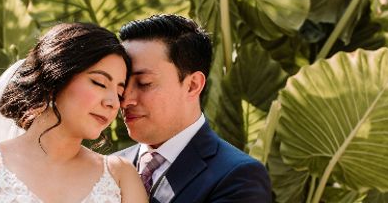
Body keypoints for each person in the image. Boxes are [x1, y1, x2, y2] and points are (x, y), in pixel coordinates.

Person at [0, 22, 148, 203]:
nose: (112, 102)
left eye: (119, 93)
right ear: (55, 77)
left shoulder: (121, 176)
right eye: (99, 83)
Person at [115, 14, 272, 202]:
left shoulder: (238, 176)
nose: (125, 100)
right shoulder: (107, 167)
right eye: (123, 83)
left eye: (144, 83)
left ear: (193, 85)